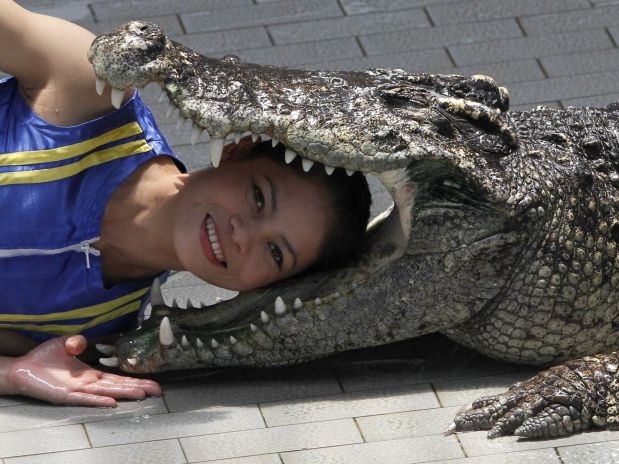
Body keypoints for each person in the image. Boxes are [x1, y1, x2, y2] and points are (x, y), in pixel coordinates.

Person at [0, 1, 371, 407]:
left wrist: (14, 374)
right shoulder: (82, 90)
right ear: (236, 151)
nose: (243, 236)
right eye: (258, 197)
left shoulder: (92, 330)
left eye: (276, 252)